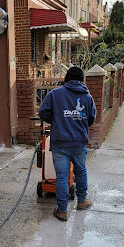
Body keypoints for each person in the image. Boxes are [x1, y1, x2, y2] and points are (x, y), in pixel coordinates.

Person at [38, 66, 96, 222]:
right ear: (82, 80)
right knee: (81, 171)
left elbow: (43, 112)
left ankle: (62, 210)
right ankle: (82, 201)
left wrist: (57, 121)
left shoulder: (55, 94)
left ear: (66, 79)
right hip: (78, 141)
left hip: (60, 142)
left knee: (62, 177)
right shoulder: (87, 97)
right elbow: (91, 119)